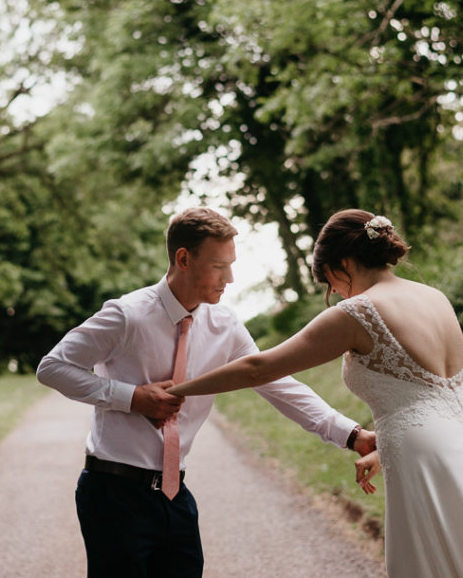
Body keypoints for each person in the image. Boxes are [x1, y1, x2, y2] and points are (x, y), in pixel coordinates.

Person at [169, 209, 463, 578]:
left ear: (344, 261)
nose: (333, 291)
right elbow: (435, 396)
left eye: (329, 279)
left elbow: (259, 367)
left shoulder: (358, 312)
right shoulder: (435, 298)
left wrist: (180, 390)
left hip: (421, 454)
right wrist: (389, 447)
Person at [36, 207, 376, 578]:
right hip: (113, 493)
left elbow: (276, 382)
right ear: (183, 258)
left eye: (230, 265)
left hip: (174, 496)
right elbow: (52, 368)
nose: (229, 278)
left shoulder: (224, 324)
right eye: (219, 266)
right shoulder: (126, 316)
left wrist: (351, 435)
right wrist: (131, 397)